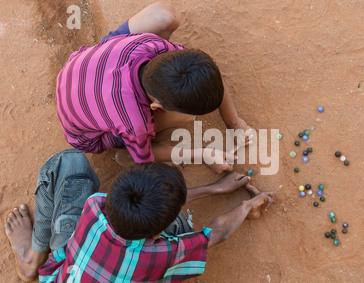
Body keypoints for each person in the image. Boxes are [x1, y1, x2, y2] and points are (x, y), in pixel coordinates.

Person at [4, 149, 274, 283]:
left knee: (69, 161)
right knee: (182, 225)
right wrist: (246, 205)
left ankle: (34, 254)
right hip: (127, 268)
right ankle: (30, 259)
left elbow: (154, 212)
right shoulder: (159, 255)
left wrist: (215, 189)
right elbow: (217, 233)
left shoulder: (96, 206)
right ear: (158, 234)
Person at [56, 1, 253, 174]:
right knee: (183, 116)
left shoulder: (149, 45)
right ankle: (127, 154)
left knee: (164, 15)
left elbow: (210, 74)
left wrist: (235, 123)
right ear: (156, 107)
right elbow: (146, 155)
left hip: (90, 66)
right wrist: (204, 155)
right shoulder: (134, 120)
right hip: (87, 135)